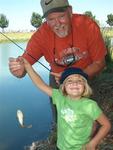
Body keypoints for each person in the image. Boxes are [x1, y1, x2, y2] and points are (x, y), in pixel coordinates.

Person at [9, 0, 107, 120]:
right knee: (61, 117)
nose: (57, 24)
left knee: (90, 117)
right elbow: (24, 65)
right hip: (57, 79)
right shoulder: (41, 36)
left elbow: (99, 63)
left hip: (88, 74)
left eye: (61, 16)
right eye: (51, 19)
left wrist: (74, 77)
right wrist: (18, 69)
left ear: (70, 12)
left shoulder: (87, 25)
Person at [22, 57, 111, 150]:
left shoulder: (90, 105)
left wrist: (93, 143)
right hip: (61, 147)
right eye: (69, 81)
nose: (74, 83)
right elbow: (40, 84)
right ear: (63, 87)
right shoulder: (59, 97)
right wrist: (28, 66)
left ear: (85, 86)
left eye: (79, 81)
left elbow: (106, 125)